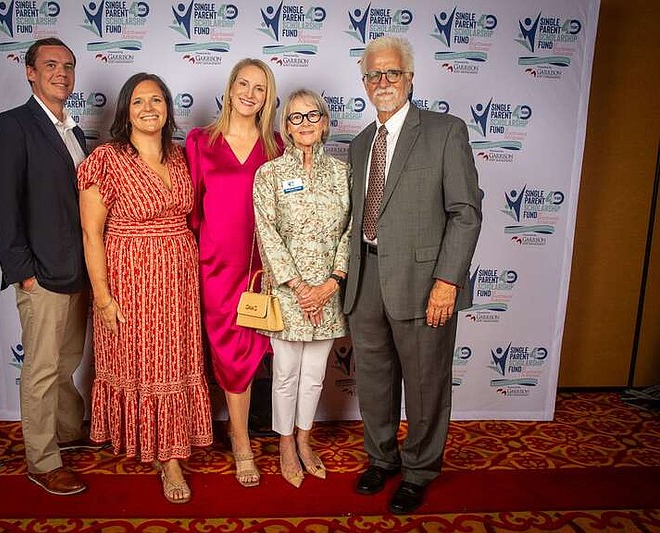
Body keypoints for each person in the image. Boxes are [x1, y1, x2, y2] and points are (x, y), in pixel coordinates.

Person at [344, 36, 482, 513]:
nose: (383, 83)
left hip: (426, 285)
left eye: (392, 74)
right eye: (374, 75)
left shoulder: (445, 131)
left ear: (410, 78)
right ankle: (382, 459)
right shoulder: (362, 144)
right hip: (366, 281)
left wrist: (447, 281)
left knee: (425, 384)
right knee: (376, 382)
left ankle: (420, 469)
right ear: (364, 83)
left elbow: (466, 212)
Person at [77, 73, 213, 504]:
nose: (149, 108)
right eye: (139, 101)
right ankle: (167, 459)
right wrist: (101, 295)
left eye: (157, 99)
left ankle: (169, 446)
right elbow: (91, 233)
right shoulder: (107, 159)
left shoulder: (179, 156)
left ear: (169, 108)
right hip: (131, 278)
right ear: (126, 110)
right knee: (145, 363)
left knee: (175, 362)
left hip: (179, 280)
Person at [0, 38, 98, 496]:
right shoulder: (12, 126)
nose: (62, 73)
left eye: (68, 66)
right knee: (42, 368)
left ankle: (67, 432)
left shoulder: (75, 131)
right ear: (30, 72)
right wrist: (22, 271)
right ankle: (43, 460)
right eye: (51, 65)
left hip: (78, 271)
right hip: (41, 274)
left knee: (67, 361)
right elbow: (3, 207)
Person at [185, 58, 282, 487]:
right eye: (243, 83)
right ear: (230, 88)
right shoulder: (200, 142)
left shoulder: (279, 145)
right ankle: (241, 442)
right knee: (228, 353)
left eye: (259, 88)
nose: (249, 93)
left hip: (266, 271)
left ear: (268, 97)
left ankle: (270, 437)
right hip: (216, 269)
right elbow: (190, 211)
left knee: (267, 352)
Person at [253, 89, 350, 488]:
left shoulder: (344, 173)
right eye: (296, 117)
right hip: (288, 293)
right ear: (285, 128)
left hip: (329, 292)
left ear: (325, 123)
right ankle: (285, 444)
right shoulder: (269, 175)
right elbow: (267, 234)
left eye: (313, 116)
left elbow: (351, 231)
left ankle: (306, 440)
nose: (305, 123)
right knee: (286, 373)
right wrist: (299, 287)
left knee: (314, 376)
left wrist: (329, 284)